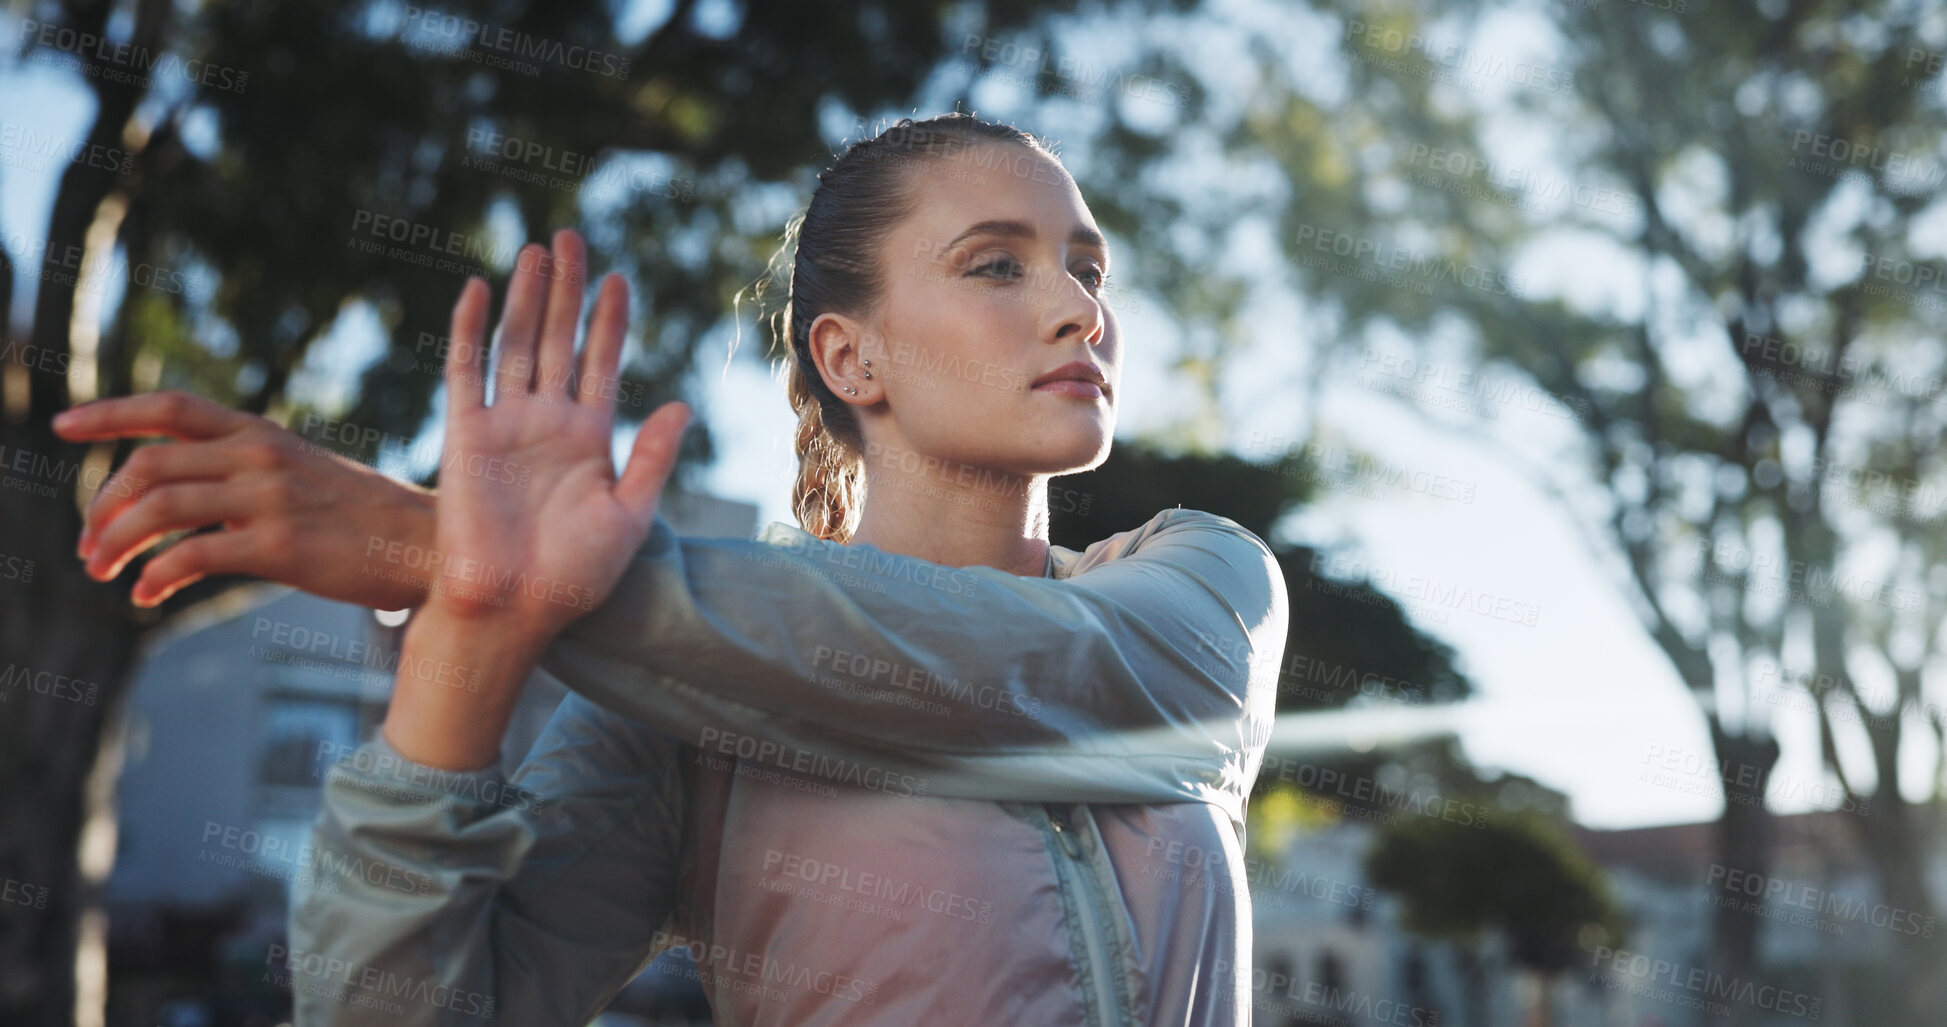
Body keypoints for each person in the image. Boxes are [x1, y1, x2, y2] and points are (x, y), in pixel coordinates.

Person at [55, 113, 1289, 1025]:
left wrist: (437, 545)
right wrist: (472, 633)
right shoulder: (679, 714)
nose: (1081, 306)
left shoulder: (1202, 590)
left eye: (1087, 265)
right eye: (997, 263)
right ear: (850, 360)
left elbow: (1003, 670)